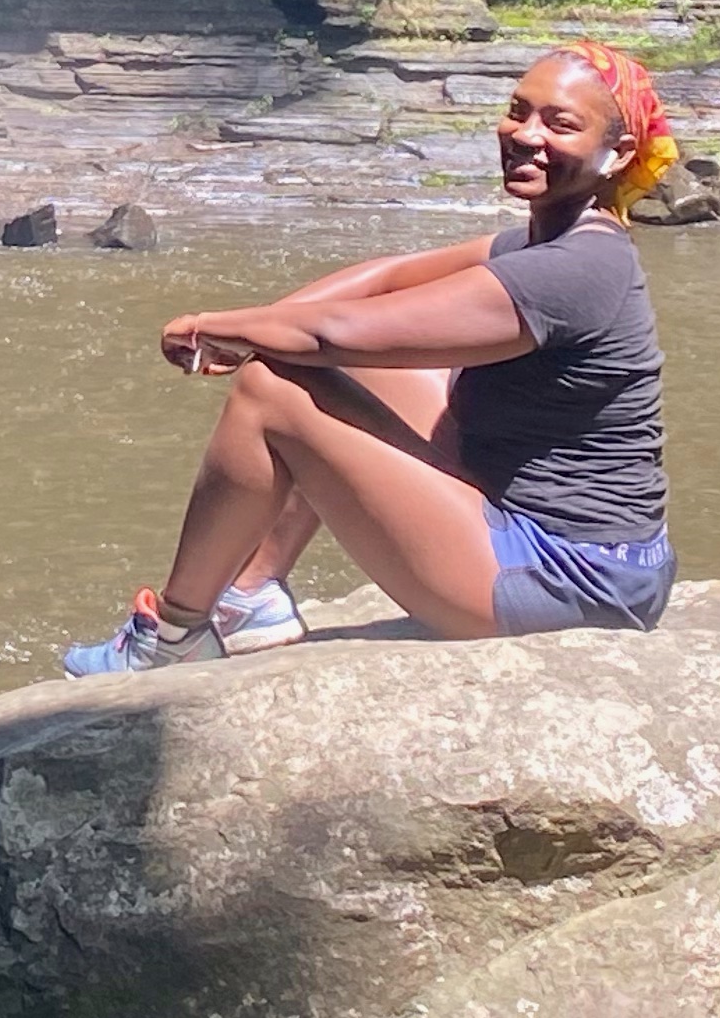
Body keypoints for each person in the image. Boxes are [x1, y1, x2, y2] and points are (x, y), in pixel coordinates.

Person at [66, 38, 679, 671]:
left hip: (571, 580)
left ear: (618, 155)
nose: (525, 134)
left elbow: (334, 332)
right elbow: (390, 278)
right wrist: (267, 324)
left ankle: (173, 638)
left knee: (273, 392)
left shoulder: (578, 267)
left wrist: (217, 327)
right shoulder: (547, 238)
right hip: (557, 545)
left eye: (559, 123)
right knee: (327, 365)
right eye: (517, 110)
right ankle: (249, 596)